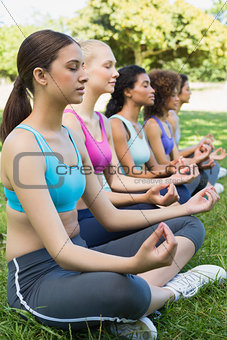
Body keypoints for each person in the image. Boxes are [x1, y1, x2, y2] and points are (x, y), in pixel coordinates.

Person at [1, 30, 225, 339]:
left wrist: (183, 207)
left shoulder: (71, 136)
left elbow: (109, 216)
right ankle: (170, 291)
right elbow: (61, 251)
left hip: (80, 253)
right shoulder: (22, 145)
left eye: (83, 66)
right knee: (121, 287)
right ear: (41, 75)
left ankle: (141, 297)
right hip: (39, 278)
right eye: (72, 67)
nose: (83, 76)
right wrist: (132, 263)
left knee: (188, 226)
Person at [104, 64, 196, 204]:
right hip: (128, 191)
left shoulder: (139, 126)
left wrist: (173, 167)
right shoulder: (116, 124)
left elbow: (154, 166)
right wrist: (169, 175)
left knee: (183, 187)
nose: (153, 90)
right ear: (128, 91)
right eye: (146, 86)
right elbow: (131, 173)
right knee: (180, 192)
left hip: (143, 184)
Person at [143, 70, 219, 196]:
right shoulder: (152, 125)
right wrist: (195, 161)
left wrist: (200, 160)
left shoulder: (167, 124)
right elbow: (162, 165)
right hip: (162, 178)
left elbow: (177, 158)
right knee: (196, 178)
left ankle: (203, 191)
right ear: (162, 97)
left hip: (172, 172)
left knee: (205, 172)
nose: (177, 99)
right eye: (173, 95)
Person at [167, 73, 226, 192]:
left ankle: (210, 179)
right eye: (187, 89)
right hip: (171, 167)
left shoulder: (174, 117)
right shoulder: (169, 118)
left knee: (210, 160)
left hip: (174, 164)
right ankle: (210, 184)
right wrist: (198, 151)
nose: (190, 93)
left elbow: (175, 151)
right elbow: (173, 156)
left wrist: (199, 147)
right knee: (210, 167)